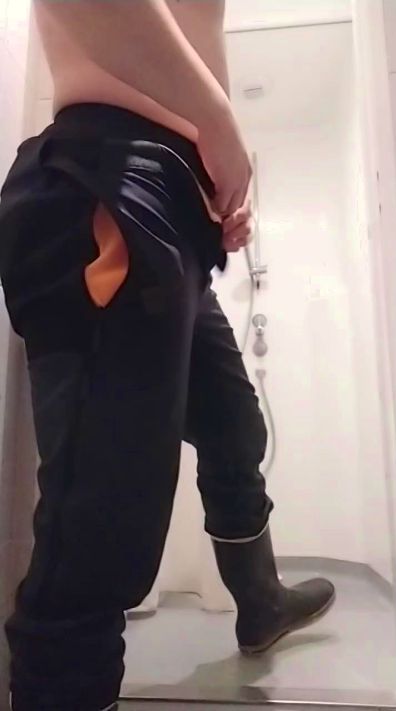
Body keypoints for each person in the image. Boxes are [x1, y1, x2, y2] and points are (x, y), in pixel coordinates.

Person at [0, 2, 335, 709]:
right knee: (101, 531)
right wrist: (217, 125)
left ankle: (260, 600)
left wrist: (214, 192)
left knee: (235, 428)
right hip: (112, 181)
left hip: (172, 210)